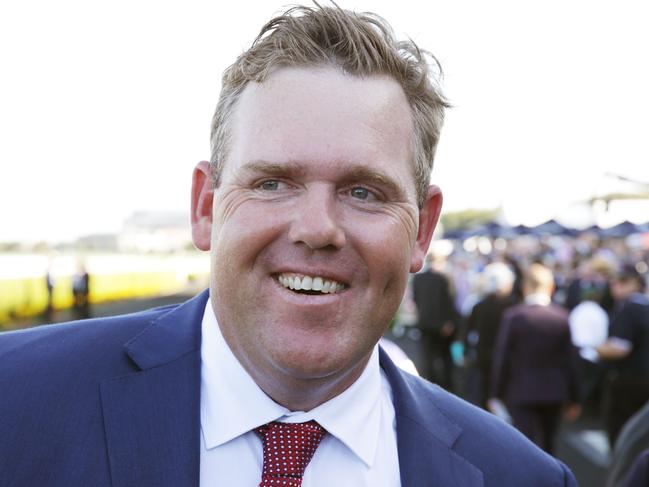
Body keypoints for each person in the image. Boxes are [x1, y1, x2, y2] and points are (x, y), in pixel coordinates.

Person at [0, 4, 577, 486]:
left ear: (421, 231)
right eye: (272, 183)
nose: (317, 228)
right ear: (206, 207)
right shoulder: (16, 402)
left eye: (363, 191)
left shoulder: (521, 477)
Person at [490, 263, 581, 454]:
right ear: (551, 287)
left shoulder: (514, 316)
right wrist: (575, 398)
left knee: (524, 447)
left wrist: (496, 393)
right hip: (554, 390)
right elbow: (571, 361)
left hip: (522, 389)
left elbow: (502, 358)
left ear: (525, 287)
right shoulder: (562, 317)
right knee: (549, 444)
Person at [597, 264, 649, 448]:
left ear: (633, 283)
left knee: (623, 435)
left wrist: (597, 348)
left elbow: (620, 348)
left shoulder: (631, 308)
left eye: (620, 282)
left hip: (629, 381)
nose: (614, 288)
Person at [464, 261, 516, 409]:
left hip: (482, 357)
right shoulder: (511, 307)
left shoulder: (479, 306)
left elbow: (468, 332)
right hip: (504, 359)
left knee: (482, 396)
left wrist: (467, 352)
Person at [412, 253, 458, 388]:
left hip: (425, 323)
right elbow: (449, 301)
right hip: (442, 326)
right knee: (444, 359)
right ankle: (446, 387)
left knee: (428, 358)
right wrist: (449, 322)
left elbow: (416, 300)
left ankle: (429, 386)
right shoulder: (443, 278)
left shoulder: (418, 279)